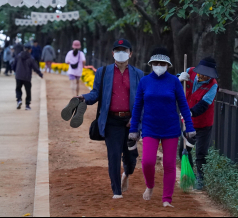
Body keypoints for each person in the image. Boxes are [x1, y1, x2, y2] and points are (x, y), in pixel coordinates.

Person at [76, 39, 144, 199]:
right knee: (113, 155)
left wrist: (135, 119)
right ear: (113, 53)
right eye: (118, 50)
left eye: (124, 50)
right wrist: (83, 98)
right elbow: (95, 93)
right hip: (111, 121)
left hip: (131, 122)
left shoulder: (138, 74)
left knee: (130, 157)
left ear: (130, 53)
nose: (121, 53)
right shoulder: (103, 72)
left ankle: (127, 173)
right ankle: (117, 191)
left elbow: (143, 100)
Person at [129, 47, 196, 208]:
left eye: (162, 63)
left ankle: (167, 199)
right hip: (150, 127)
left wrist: (190, 126)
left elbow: (183, 105)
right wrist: (133, 129)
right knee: (147, 162)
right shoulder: (145, 81)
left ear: (168, 65)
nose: (159, 65)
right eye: (156, 63)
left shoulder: (174, 81)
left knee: (169, 165)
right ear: (151, 64)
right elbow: (137, 106)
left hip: (171, 129)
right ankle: (150, 185)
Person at [178, 57, 218, 190]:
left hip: (203, 123)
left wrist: (189, 112)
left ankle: (201, 179)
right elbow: (175, 85)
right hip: (188, 123)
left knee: (201, 153)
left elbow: (204, 105)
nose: (201, 76)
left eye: (206, 74)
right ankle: (190, 176)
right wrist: (179, 79)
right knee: (183, 150)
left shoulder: (213, 85)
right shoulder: (189, 72)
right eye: (201, 72)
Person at [13, 43, 43, 110]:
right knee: (28, 91)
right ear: (30, 50)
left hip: (18, 76)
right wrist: (40, 74)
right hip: (27, 76)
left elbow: (13, 65)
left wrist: (15, 71)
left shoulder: (18, 56)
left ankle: (19, 100)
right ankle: (27, 105)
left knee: (18, 89)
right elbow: (35, 67)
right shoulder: (31, 58)